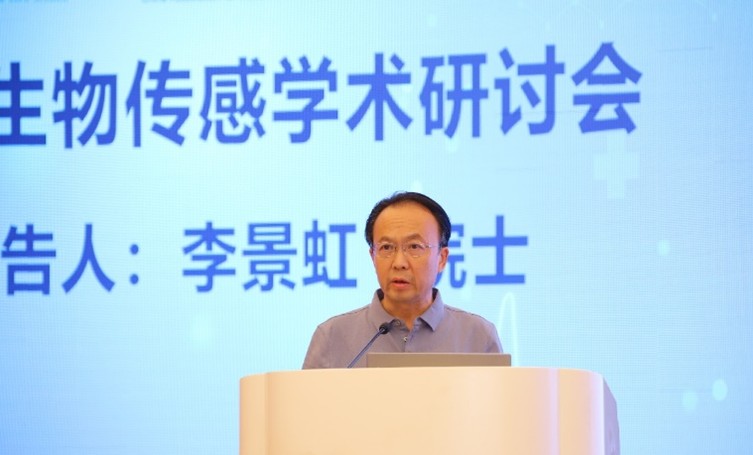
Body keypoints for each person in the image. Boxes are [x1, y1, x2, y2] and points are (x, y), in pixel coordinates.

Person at [302, 191, 502, 369]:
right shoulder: (332, 337)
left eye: (414, 247)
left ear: (442, 258)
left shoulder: (478, 337)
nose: (399, 263)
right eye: (387, 248)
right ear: (373, 257)